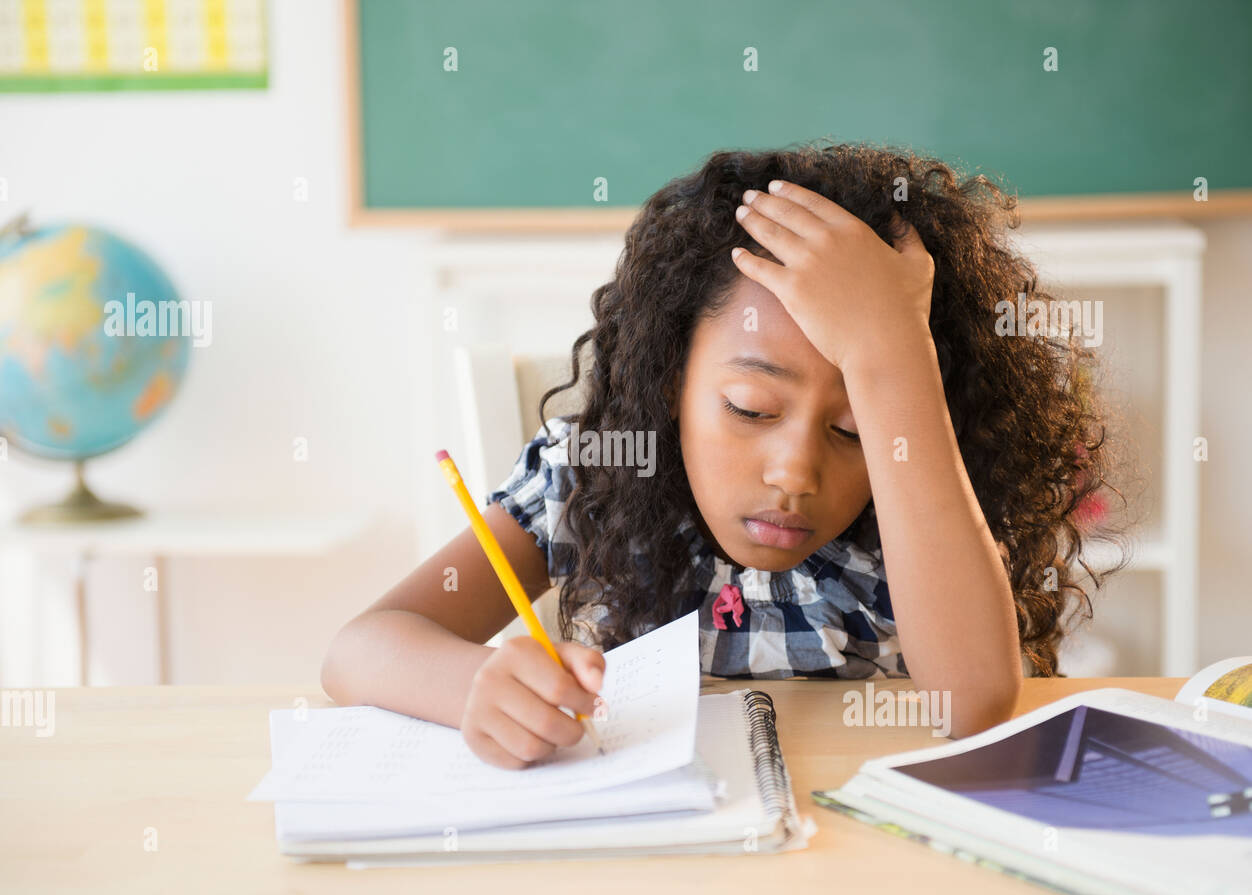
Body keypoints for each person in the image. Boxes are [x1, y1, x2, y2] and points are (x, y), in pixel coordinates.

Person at [322, 142, 1127, 769]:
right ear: (670, 382)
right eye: (750, 409)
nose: (794, 472)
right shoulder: (595, 475)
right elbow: (361, 646)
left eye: (852, 427)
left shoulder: (914, 494)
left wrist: (893, 354)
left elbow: (976, 703)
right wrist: (476, 686)